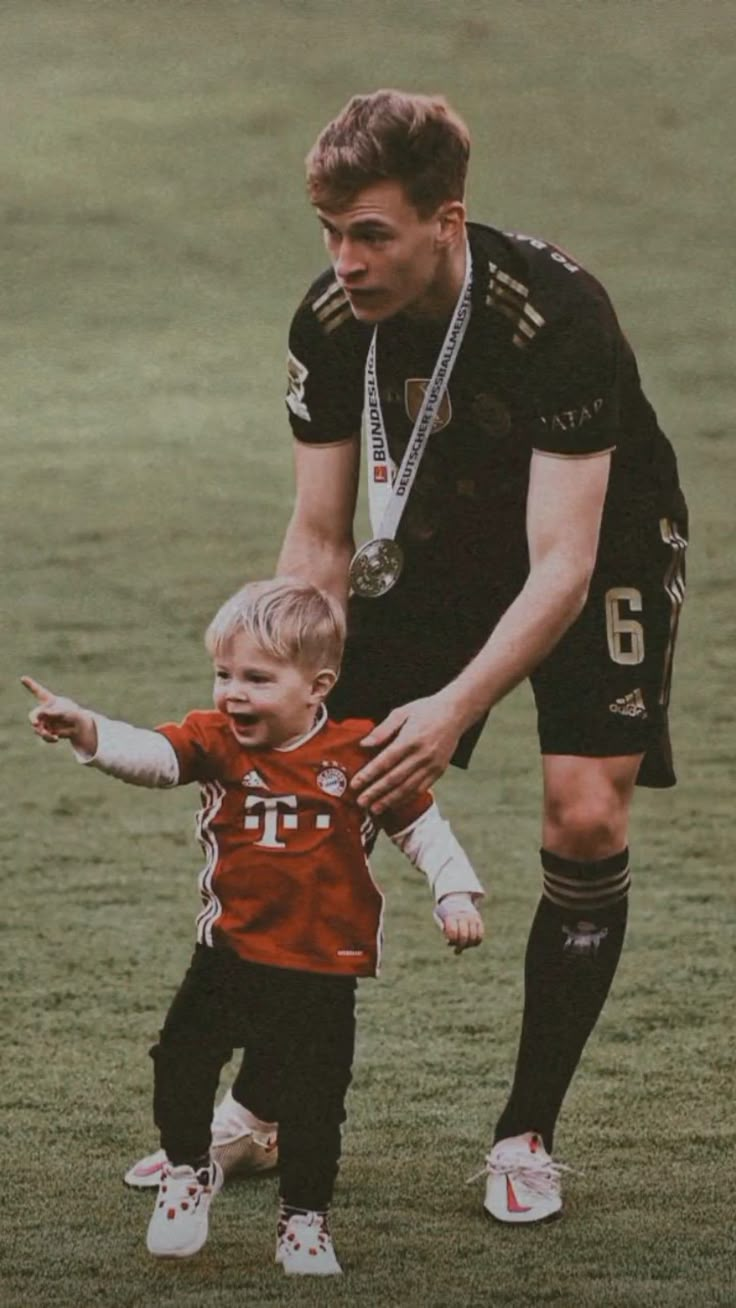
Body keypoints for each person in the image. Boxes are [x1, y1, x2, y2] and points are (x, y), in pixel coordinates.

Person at [125, 86, 688, 1224]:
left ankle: (526, 1132)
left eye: (370, 232)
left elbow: (562, 572)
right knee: (325, 776)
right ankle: (267, 1106)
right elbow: (322, 539)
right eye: (329, 230)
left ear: (446, 220)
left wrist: (450, 708)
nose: (345, 258)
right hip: (424, 540)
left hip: (596, 540)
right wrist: (281, 683)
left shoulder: (557, 317)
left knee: (584, 815)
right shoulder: (329, 323)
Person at [22, 578, 484, 1275]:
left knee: (316, 1101)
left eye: (257, 679)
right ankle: (186, 1173)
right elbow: (153, 757)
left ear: (317, 685)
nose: (233, 693)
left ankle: (304, 1221)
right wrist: (88, 729)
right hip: (230, 950)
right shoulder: (215, 742)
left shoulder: (360, 753)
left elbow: (424, 831)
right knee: (180, 1059)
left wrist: (455, 893)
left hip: (324, 964)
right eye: (224, 674)